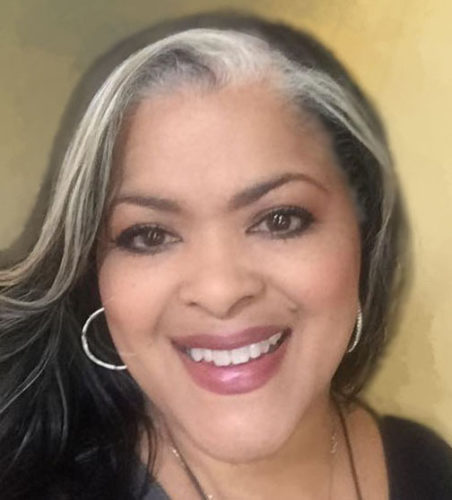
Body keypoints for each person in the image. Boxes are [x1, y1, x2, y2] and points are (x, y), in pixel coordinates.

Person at [0, 12, 450, 500]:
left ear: (362, 233)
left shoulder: (427, 465)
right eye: (150, 235)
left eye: (280, 219)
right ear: (95, 273)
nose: (220, 291)